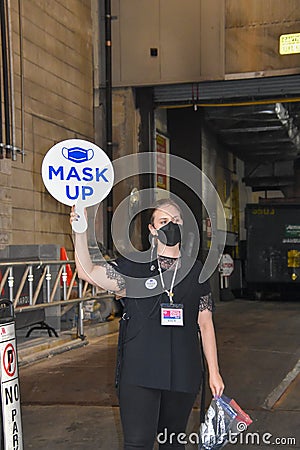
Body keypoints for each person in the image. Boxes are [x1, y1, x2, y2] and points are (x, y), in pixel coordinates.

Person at [70, 198, 224, 450]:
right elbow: (87, 272)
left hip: (183, 373)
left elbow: (205, 324)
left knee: (173, 442)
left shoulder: (196, 271)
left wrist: (214, 372)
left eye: (176, 220)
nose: (171, 225)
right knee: (138, 443)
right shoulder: (134, 268)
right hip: (141, 372)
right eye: (164, 221)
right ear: (152, 230)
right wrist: (80, 231)